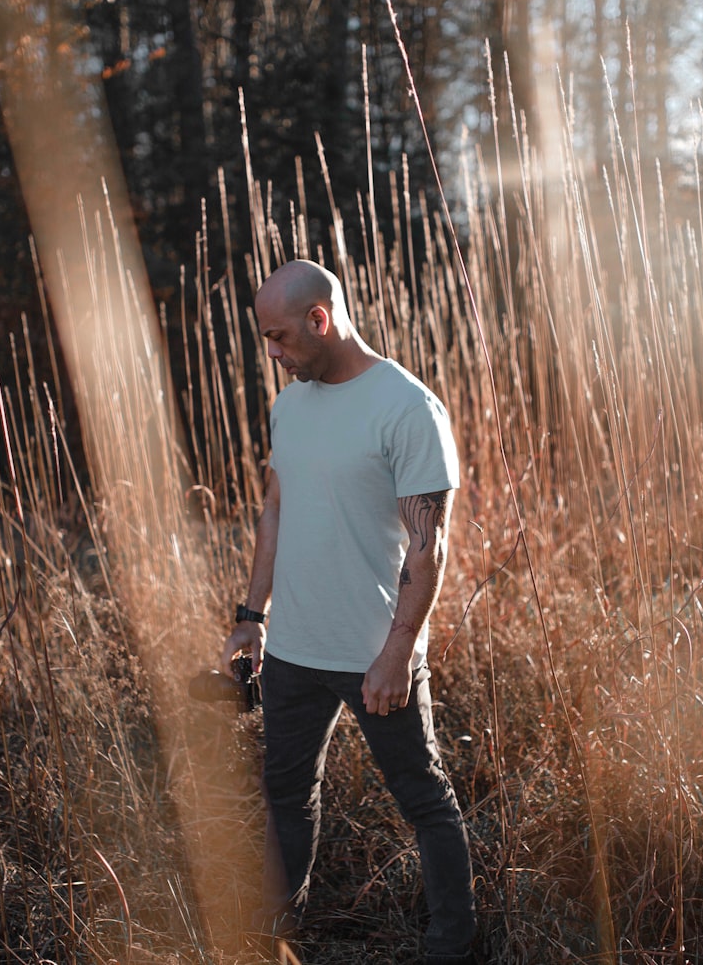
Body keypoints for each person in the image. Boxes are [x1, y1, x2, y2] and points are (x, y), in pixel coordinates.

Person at [220, 259, 477, 964]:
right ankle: (272, 937)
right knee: (286, 794)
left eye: (278, 337)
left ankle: (454, 946)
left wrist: (398, 651)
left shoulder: (405, 406)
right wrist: (251, 614)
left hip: (374, 654)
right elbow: (276, 509)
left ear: (319, 320)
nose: (271, 353)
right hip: (294, 650)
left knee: (423, 798)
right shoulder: (289, 406)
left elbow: (429, 550)